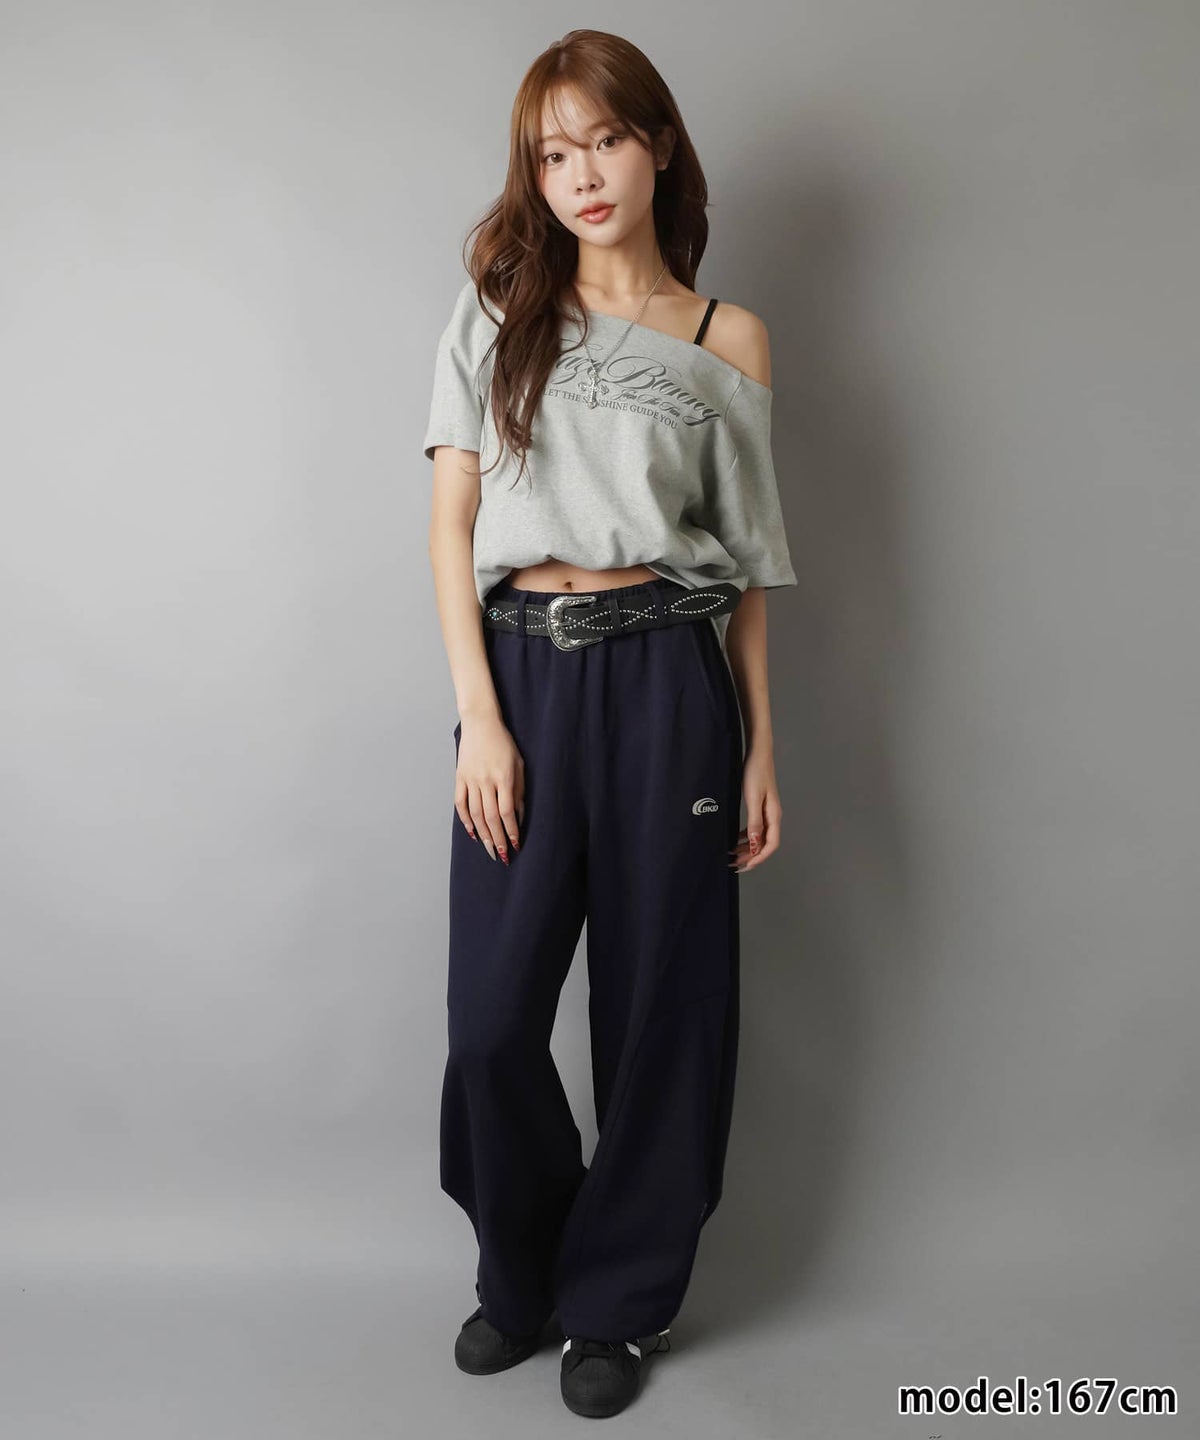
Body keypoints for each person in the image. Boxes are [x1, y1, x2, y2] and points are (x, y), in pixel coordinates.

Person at [422, 29, 798, 1420]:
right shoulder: (494, 310)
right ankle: (521, 1270)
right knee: (490, 1022)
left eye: (605, 141)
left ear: (658, 145)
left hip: (666, 684)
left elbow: (743, 570)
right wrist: (479, 715)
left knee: (662, 1010)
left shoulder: (724, 339)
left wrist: (760, 745)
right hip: (521, 681)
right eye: (552, 153)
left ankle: (618, 1303)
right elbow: (451, 524)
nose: (581, 174)